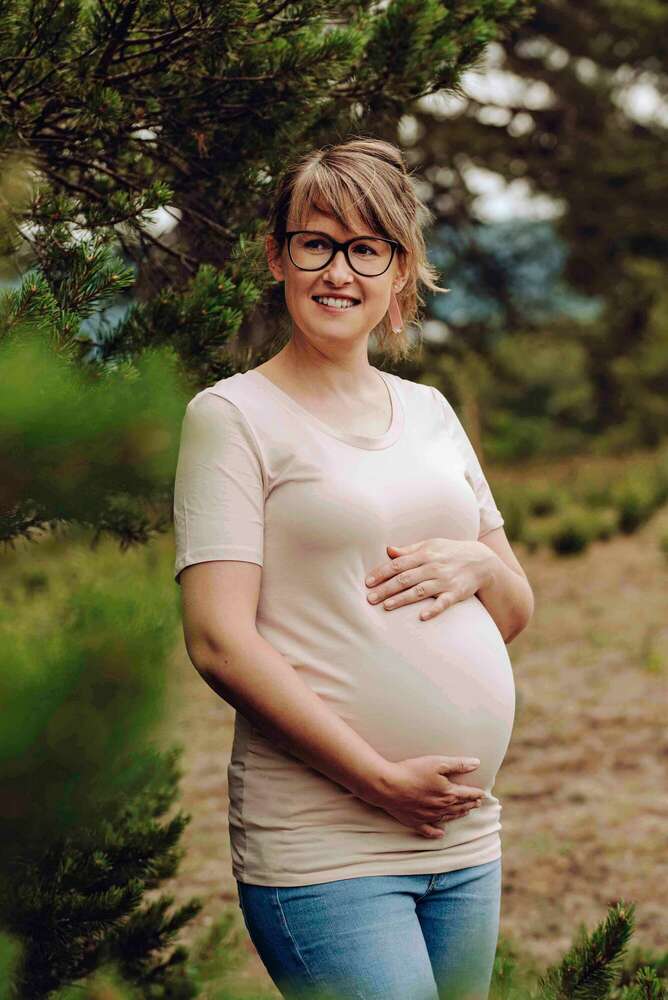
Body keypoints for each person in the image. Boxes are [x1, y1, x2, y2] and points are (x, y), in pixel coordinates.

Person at [173, 137, 534, 1000]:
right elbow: (218, 641)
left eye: (366, 248)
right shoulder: (231, 417)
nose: (339, 270)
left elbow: (515, 607)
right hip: (325, 844)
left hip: (461, 833)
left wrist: (471, 564)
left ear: (399, 272)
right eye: (316, 242)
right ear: (278, 256)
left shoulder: (431, 411)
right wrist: (378, 779)